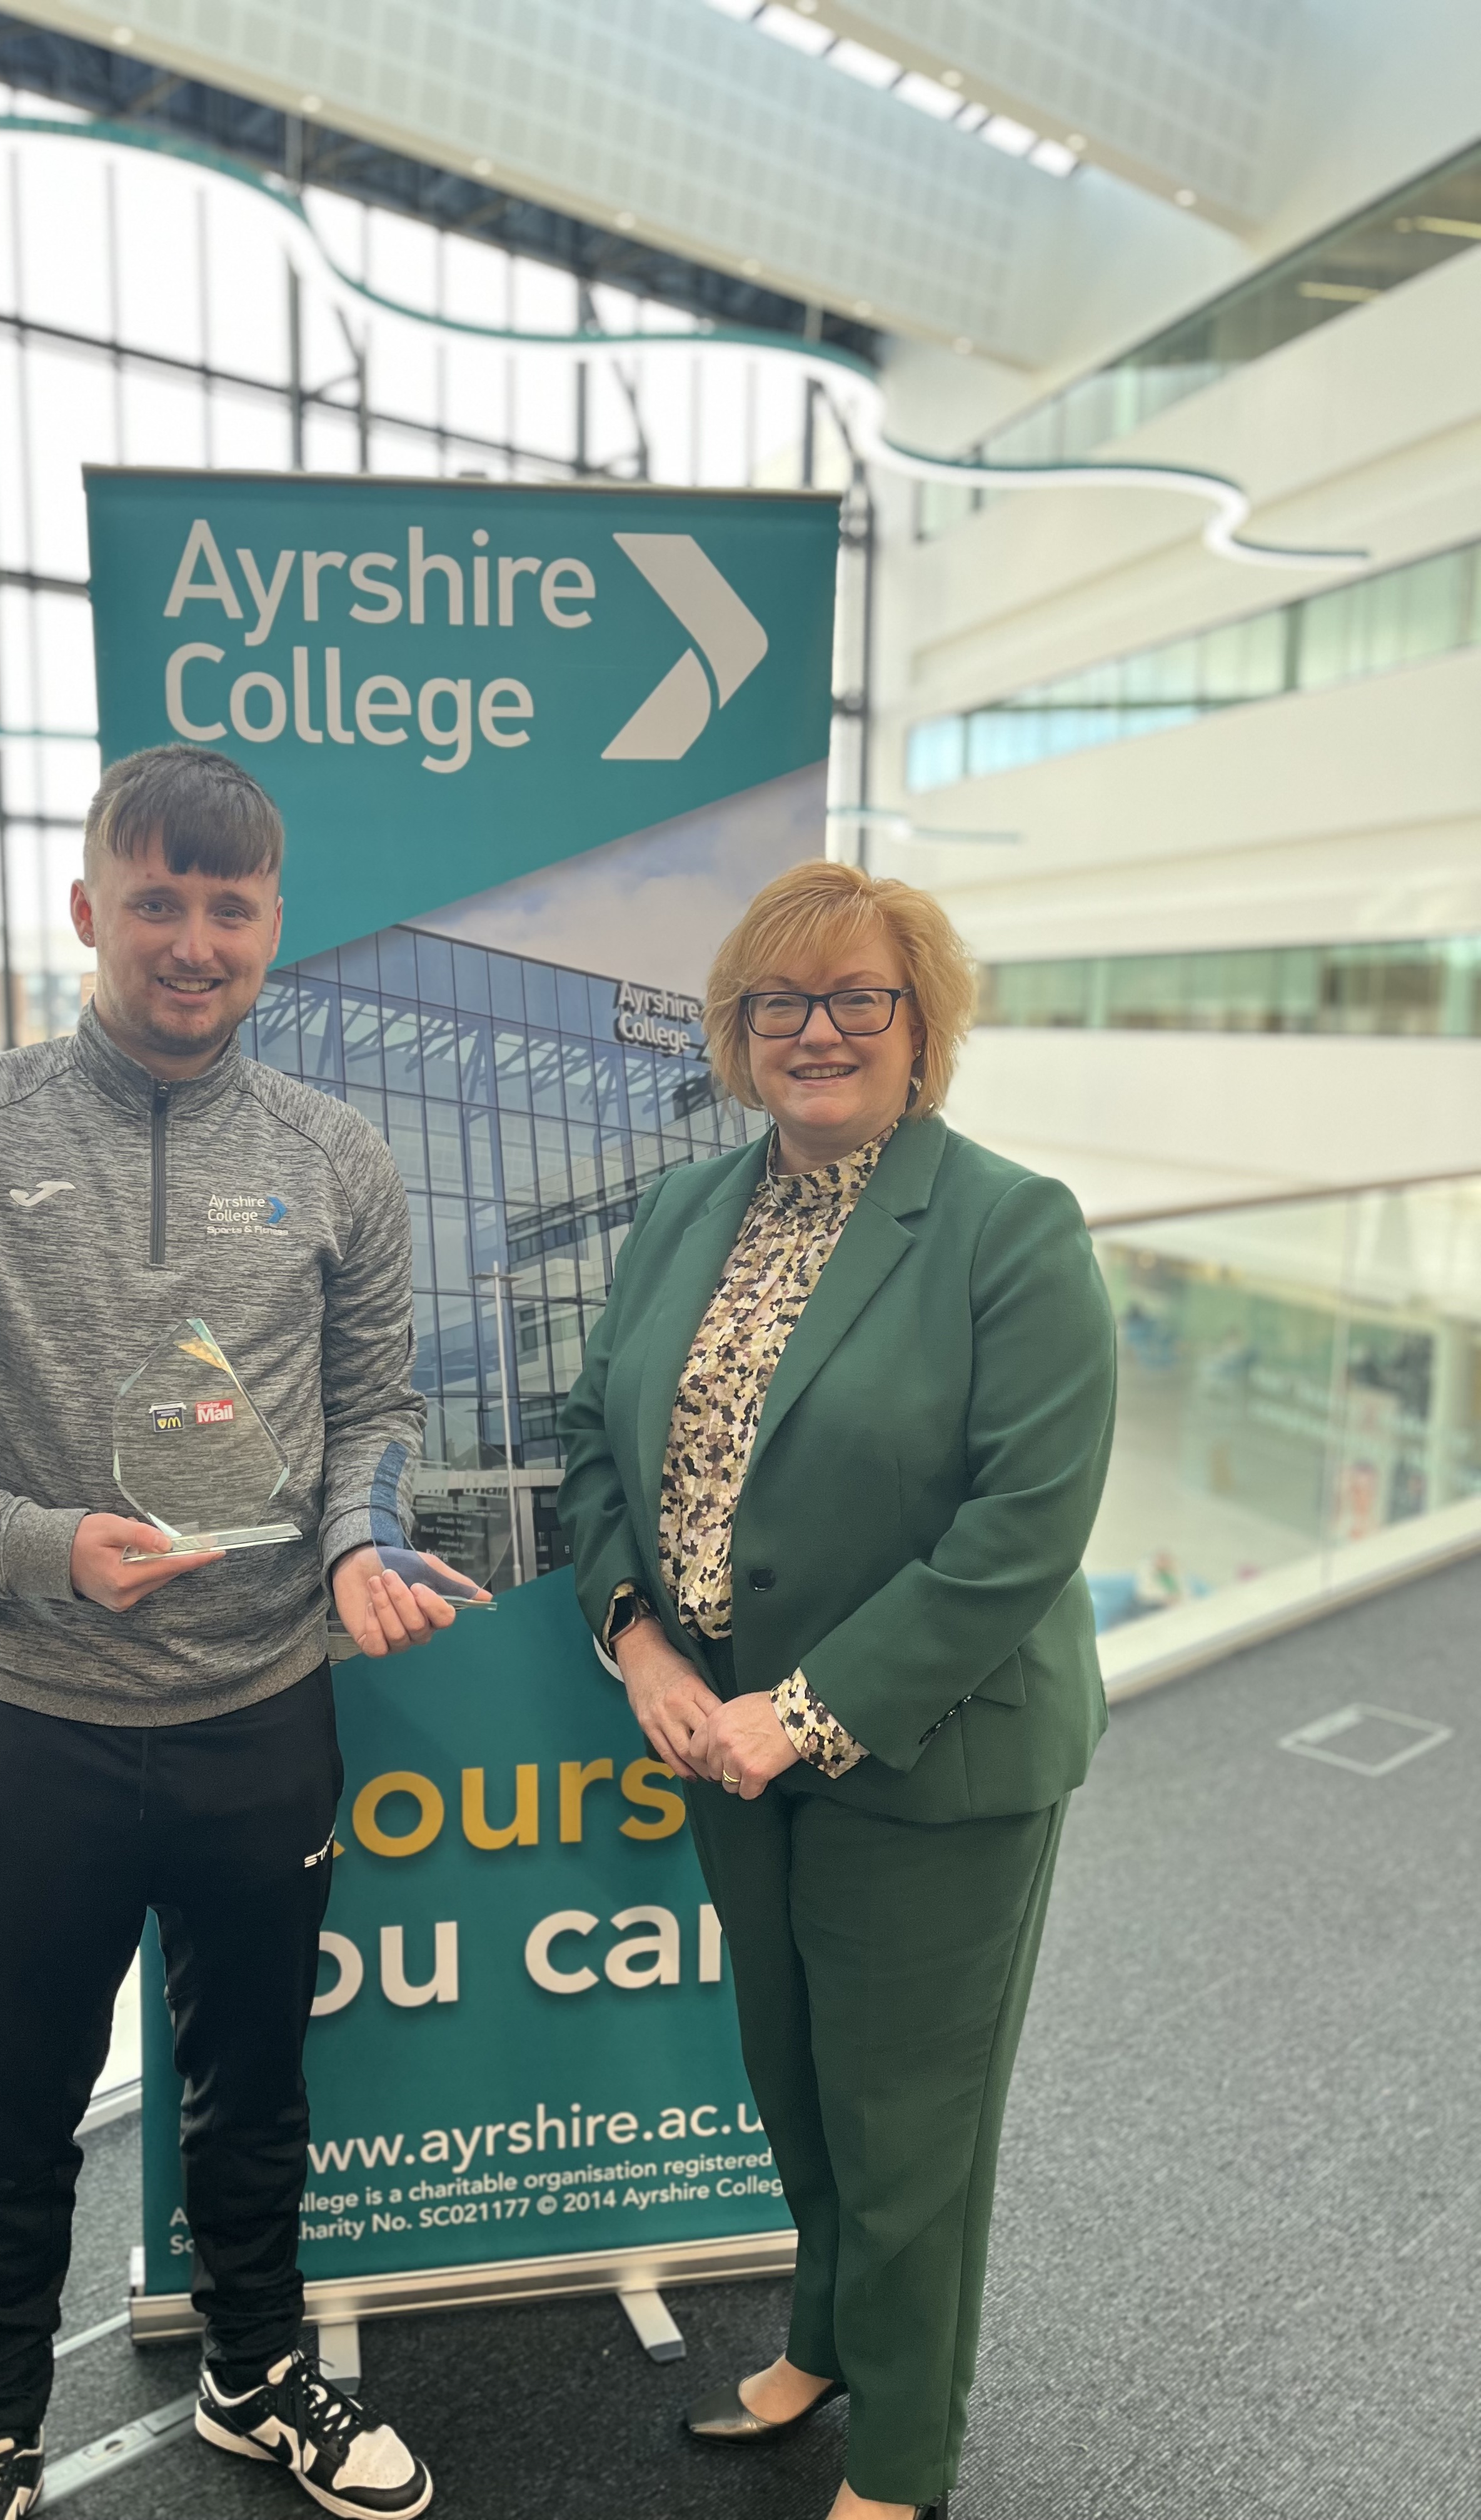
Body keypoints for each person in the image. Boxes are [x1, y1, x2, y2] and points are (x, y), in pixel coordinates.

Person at [0, 745, 456, 2520]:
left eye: (228, 909)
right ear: (90, 910)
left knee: (257, 2088)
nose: (192, 942)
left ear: (272, 926)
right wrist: (36, 1549)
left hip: (267, 1711)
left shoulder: (337, 1155)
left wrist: (358, 1541)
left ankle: (254, 2373)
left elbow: (375, 1409)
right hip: (39, 1724)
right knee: (16, 2109)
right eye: (157, 902)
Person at [556, 859, 1116, 2520]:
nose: (820, 1032)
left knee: (909, 2127)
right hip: (726, 1739)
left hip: (928, 1753)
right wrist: (643, 1643)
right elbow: (594, 1442)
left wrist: (797, 1714)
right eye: (782, 1003)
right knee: (794, 2078)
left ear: (920, 1024)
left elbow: (1023, 1529)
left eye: (859, 997)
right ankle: (821, 2337)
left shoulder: (1010, 1227)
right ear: (739, 1033)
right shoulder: (687, 1211)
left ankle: (904, 2456)